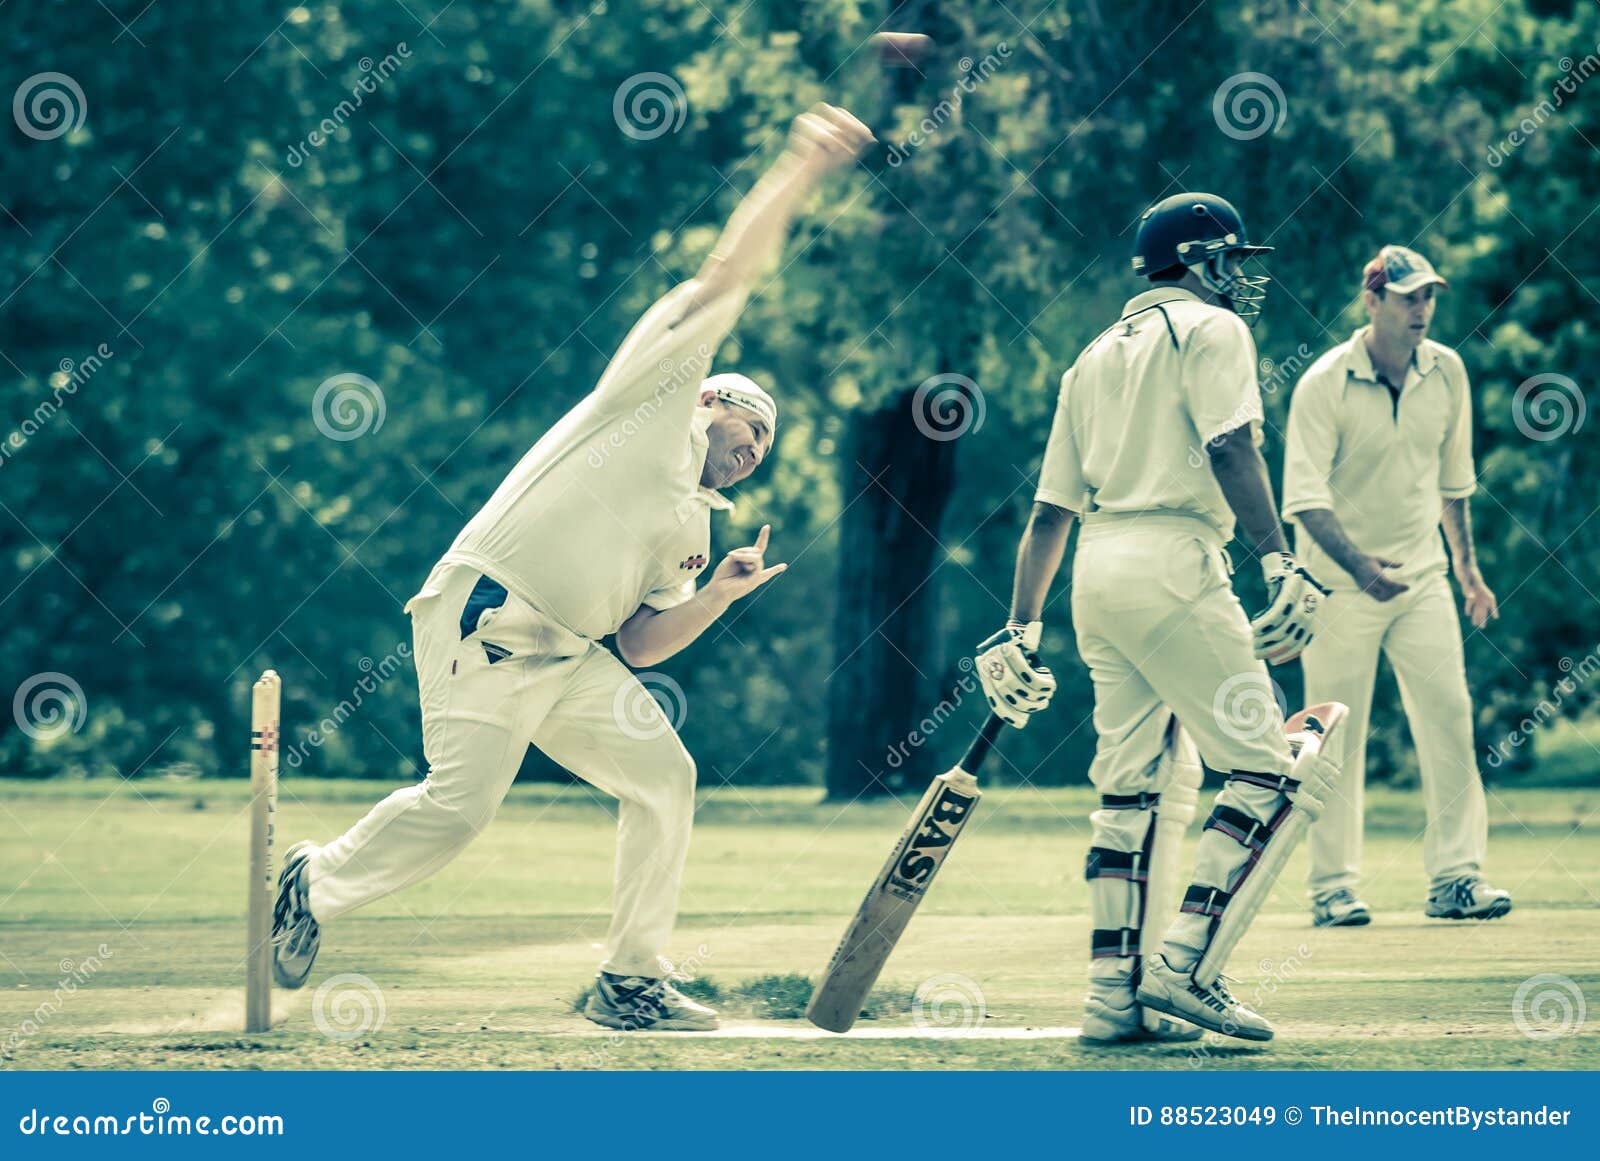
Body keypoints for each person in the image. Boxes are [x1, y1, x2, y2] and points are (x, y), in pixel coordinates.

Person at [269, 104, 876, 1031]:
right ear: (707, 399)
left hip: (571, 656)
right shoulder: (655, 398)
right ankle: (312, 881)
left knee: (665, 777)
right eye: (749, 424)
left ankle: (629, 981)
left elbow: (642, 644)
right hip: (490, 613)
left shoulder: (697, 526)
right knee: (460, 808)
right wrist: (803, 164)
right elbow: (729, 272)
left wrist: (719, 594)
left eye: (766, 446)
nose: (754, 448)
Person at [975, 193, 1334, 1043]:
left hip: (1096, 573)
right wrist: (1279, 559)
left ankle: (1113, 996)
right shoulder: (1213, 330)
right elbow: (1231, 446)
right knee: (1268, 770)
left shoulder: (1091, 356)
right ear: (1199, 260)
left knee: (1130, 787)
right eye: (1231, 259)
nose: (1240, 277)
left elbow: (1049, 513)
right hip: (1175, 560)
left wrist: (1022, 627)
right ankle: (1185, 965)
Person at [1282, 244, 1511, 927]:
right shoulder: (1323, 382)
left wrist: (1467, 571)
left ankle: (1457, 879)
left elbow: (1454, 484)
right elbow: (1303, 499)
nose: (1422, 309)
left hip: (1421, 578)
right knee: (1331, 739)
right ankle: (1332, 889)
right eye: (1409, 296)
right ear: (1373, 301)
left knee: (1449, 716)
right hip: (1336, 586)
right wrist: (1359, 568)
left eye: (1428, 296)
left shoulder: (1448, 371)